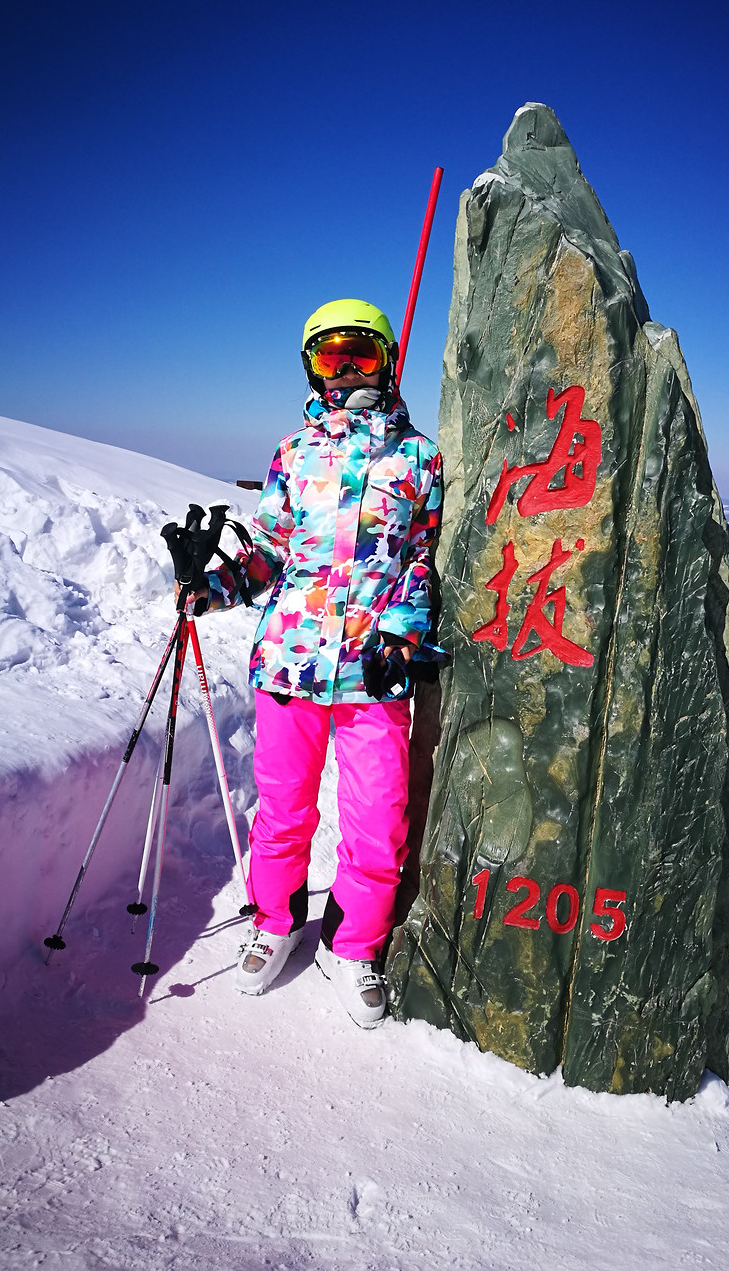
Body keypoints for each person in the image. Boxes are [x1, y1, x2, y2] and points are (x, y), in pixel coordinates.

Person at [188, 299, 442, 1027]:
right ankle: (276, 923)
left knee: (375, 821)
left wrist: (400, 630)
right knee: (282, 812)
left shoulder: (419, 456)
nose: (347, 370)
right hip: (291, 666)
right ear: (311, 365)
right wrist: (218, 585)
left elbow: (421, 559)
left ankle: (354, 944)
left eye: (361, 354)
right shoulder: (294, 452)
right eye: (331, 357)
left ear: (388, 358)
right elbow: (269, 549)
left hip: (373, 671)